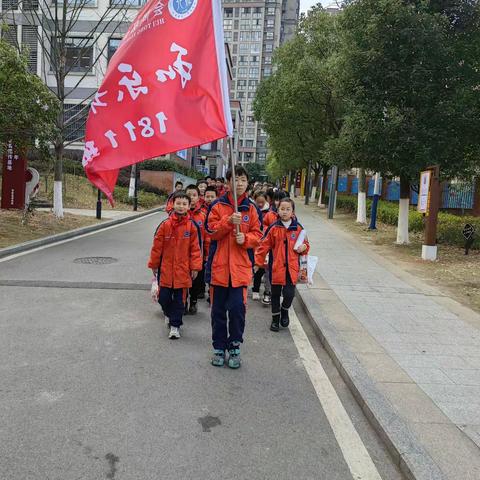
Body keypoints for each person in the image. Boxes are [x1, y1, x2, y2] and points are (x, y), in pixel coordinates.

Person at [205, 166, 262, 369]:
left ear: (248, 183)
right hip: (219, 269)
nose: (239, 183)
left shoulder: (252, 209)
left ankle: (235, 345)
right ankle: (219, 347)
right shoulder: (217, 206)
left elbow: (258, 236)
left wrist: (245, 238)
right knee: (218, 311)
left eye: (243, 180)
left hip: (240, 270)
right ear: (227, 182)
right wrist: (229, 221)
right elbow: (211, 231)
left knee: (237, 310)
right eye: (235, 179)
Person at [148, 191, 202, 339]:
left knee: (180, 301)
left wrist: (195, 267)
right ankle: (168, 313)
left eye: (184, 204)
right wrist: (154, 264)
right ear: (173, 204)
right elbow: (157, 247)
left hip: (183, 272)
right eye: (178, 203)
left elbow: (196, 249)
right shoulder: (164, 225)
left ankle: (175, 326)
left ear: (189, 206)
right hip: (165, 270)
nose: (181, 206)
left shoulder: (192, 227)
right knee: (163, 298)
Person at [255, 198, 309, 332]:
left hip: (291, 268)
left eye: (288, 209)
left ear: (293, 212)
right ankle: (275, 319)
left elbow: (306, 245)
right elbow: (263, 246)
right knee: (275, 294)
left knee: (289, 294)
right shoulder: (274, 228)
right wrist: (257, 262)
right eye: (282, 209)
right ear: (277, 211)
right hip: (276, 268)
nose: (284, 212)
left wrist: (304, 247)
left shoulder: (298, 228)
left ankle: (284, 310)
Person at [185, 184, 206, 313]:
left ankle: (193, 301)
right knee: (182, 280)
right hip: (181, 255)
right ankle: (182, 302)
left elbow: (207, 237)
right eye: (189, 195)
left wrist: (207, 254)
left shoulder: (203, 215)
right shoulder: (180, 213)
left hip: (198, 255)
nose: (192, 198)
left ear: (199, 198)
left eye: (194, 195)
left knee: (196, 280)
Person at [252, 191, 272, 303]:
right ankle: (255, 290)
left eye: (262, 202)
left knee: (268, 271)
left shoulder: (270, 213)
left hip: (267, 244)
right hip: (257, 244)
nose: (260, 204)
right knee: (258, 270)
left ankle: (267, 292)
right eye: (258, 202)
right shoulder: (251, 210)